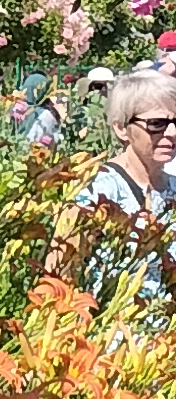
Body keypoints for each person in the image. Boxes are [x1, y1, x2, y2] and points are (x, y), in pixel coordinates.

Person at [74, 69, 176, 310]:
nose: (171, 133)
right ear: (121, 128)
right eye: (157, 124)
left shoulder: (173, 186)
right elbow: (64, 268)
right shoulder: (99, 191)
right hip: (119, 336)